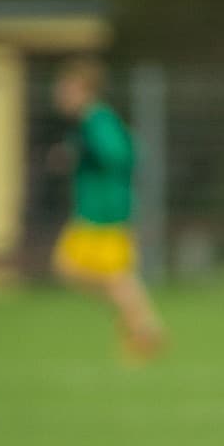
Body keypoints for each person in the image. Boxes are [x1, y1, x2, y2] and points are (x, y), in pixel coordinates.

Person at [50, 56, 165, 358]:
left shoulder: (96, 120)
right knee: (75, 270)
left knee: (110, 276)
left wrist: (85, 153)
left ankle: (143, 328)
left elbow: (122, 154)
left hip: (106, 212)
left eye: (67, 89)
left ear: (85, 91)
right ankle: (138, 323)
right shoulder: (88, 123)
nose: (61, 96)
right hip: (93, 211)